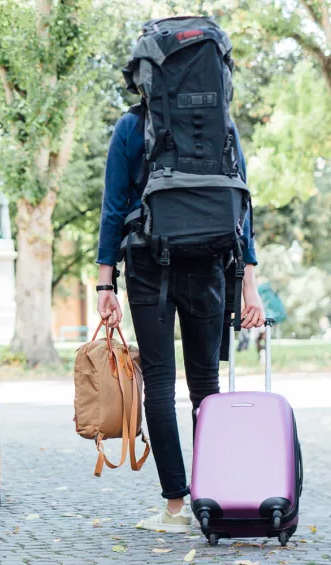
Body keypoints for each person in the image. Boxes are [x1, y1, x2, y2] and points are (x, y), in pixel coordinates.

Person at [96, 110, 266, 532]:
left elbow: (115, 203)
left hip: (147, 259)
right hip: (209, 260)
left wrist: (105, 282)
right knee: (205, 386)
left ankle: (175, 508)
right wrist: (249, 285)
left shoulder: (132, 125)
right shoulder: (219, 124)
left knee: (158, 381)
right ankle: (212, 497)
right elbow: (243, 207)